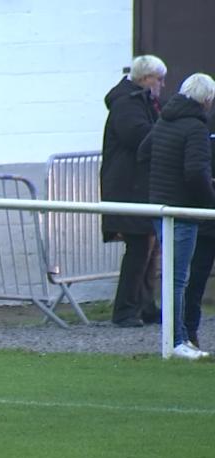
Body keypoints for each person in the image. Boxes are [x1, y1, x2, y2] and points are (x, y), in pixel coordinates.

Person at [142, 73, 215, 359]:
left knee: (174, 278)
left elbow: (143, 151)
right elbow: (196, 172)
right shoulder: (196, 127)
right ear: (207, 100)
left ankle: (178, 339)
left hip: (160, 207)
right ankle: (177, 342)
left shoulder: (165, 119)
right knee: (178, 279)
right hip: (182, 210)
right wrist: (209, 202)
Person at [101, 55, 166, 327]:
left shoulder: (136, 101)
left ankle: (146, 306)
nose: (162, 84)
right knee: (139, 248)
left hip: (136, 186)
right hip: (129, 188)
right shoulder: (128, 104)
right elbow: (138, 137)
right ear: (145, 78)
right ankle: (125, 310)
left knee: (148, 248)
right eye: (159, 79)